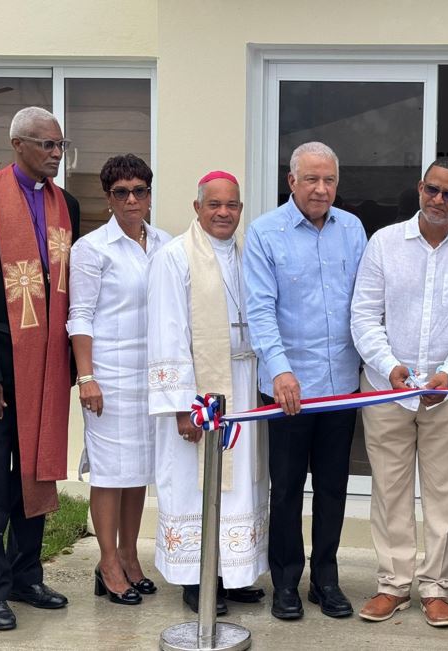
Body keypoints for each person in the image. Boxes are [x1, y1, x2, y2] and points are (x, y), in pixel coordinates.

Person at [351, 157, 448, 627]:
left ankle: (435, 587)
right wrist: (389, 366)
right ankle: (392, 585)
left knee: (443, 493)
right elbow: (363, 316)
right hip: (384, 387)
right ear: (419, 189)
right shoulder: (384, 243)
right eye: (432, 190)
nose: (438, 200)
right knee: (390, 491)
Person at [244, 142, 367, 620]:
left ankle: (327, 579)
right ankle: (286, 582)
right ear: (291, 181)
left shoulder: (352, 229)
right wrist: (280, 370)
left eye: (329, 180)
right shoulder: (264, 233)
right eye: (311, 179)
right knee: (289, 486)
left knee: (335, 485)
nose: (321, 189)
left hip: (341, 385)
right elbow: (259, 309)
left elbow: (365, 303)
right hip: (288, 388)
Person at [0, 107, 80, 630]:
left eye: (60, 145)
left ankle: (25, 573)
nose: (56, 155)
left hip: (46, 363)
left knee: (37, 467)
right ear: (17, 145)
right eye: (47, 145)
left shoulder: (68, 205)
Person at [147, 171, 268, 615]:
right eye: (214, 204)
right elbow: (167, 332)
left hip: (241, 384)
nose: (223, 213)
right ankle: (197, 579)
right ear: (197, 208)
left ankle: (232, 574)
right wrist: (183, 407)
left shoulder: (244, 255)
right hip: (199, 391)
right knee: (194, 483)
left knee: (240, 484)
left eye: (232, 205)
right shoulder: (174, 257)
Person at [67, 154, 170, 605]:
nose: (132, 199)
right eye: (121, 192)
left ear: (150, 193)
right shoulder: (92, 249)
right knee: (110, 474)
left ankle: (130, 555)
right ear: (108, 198)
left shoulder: (166, 243)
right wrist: (86, 376)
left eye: (139, 190)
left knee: (138, 472)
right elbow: (80, 316)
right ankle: (107, 561)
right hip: (108, 378)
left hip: (153, 377)